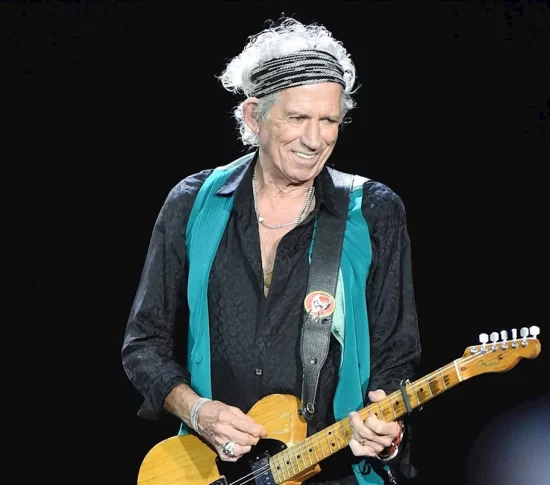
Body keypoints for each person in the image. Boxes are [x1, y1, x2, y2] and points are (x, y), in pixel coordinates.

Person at [121, 17, 422, 485]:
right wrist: (196, 411)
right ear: (253, 116)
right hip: (215, 472)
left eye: (329, 121)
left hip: (335, 472)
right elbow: (144, 344)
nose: (315, 139)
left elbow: (396, 356)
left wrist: (388, 430)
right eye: (297, 118)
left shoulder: (373, 210)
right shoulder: (193, 203)